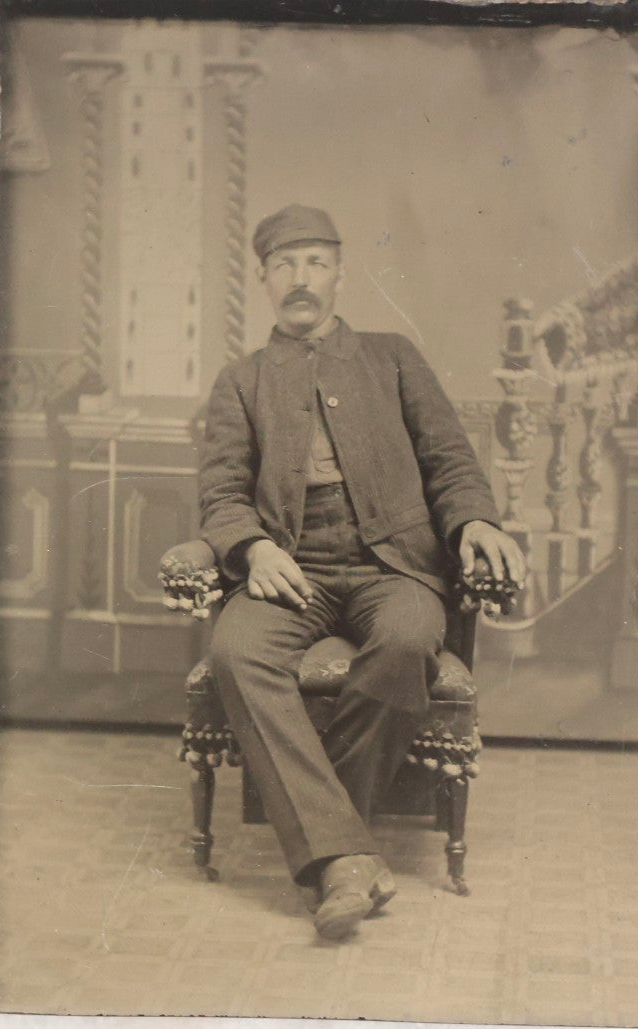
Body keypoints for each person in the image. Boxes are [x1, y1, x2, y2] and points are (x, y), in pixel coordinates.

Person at [198, 205, 526, 940]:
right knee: (234, 648)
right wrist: (253, 549)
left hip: (394, 563)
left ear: (340, 274)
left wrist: (474, 520)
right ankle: (349, 856)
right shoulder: (240, 382)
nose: (300, 278)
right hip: (292, 564)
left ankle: (334, 854)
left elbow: (449, 459)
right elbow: (220, 495)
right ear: (263, 281)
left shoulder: (394, 356)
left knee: (410, 638)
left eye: (315, 262)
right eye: (284, 265)